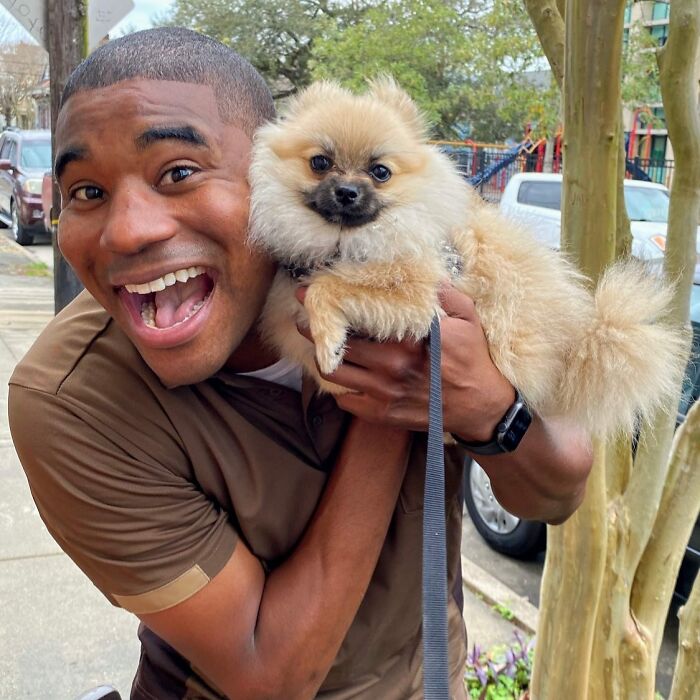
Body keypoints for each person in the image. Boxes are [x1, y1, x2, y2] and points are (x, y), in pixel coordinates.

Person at [9, 27, 592, 700]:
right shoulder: (71, 401)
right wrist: (398, 381)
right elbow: (272, 675)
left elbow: (560, 491)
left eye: (178, 172)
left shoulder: (431, 254)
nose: (130, 230)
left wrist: (492, 408)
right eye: (85, 191)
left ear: (258, 168)